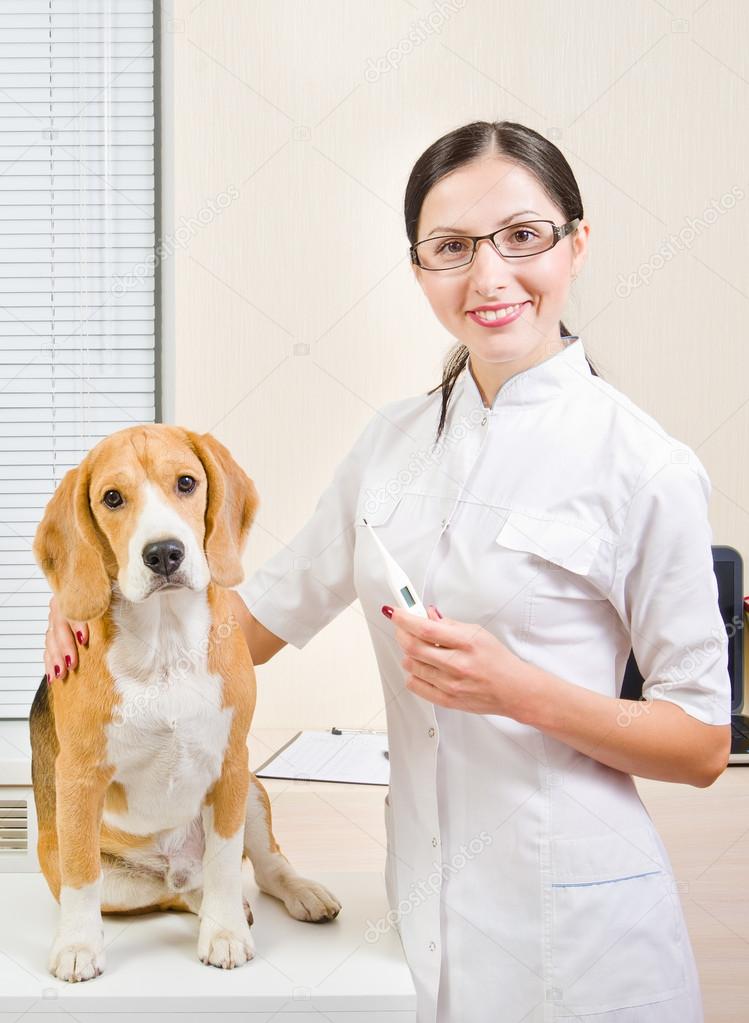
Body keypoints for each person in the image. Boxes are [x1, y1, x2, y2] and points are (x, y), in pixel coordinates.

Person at [45, 120, 731, 1023]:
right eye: (450, 247)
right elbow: (254, 621)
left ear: (576, 244)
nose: (488, 277)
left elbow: (701, 743)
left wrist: (517, 689)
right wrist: (91, 612)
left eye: (521, 237)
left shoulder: (646, 466)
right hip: (423, 906)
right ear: (418, 268)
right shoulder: (390, 448)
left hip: (582, 922)